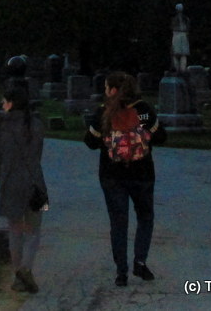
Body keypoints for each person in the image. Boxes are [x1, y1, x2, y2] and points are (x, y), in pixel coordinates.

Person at [84, 72, 167, 287]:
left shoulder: (103, 112)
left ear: (113, 90)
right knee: (145, 218)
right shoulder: (144, 111)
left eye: (106, 88)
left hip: (112, 176)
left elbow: (90, 142)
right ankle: (140, 261)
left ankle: (121, 272)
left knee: (118, 223)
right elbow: (161, 136)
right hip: (143, 175)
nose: (104, 91)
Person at [0, 85, 48, 294]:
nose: (1, 104)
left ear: (11, 103)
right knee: (34, 231)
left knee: (15, 231)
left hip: (10, 182)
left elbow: (0, 155)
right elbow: (37, 153)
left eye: (4, 101)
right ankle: (26, 268)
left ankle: (18, 274)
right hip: (35, 182)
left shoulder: (2, 126)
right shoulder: (35, 124)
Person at [171, 3, 190, 73]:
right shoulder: (186, 19)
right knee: (182, 54)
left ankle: (180, 69)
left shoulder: (176, 19)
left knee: (177, 54)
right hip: (183, 34)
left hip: (178, 35)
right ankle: (181, 69)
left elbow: (172, 26)